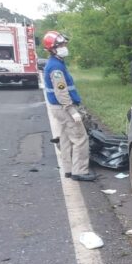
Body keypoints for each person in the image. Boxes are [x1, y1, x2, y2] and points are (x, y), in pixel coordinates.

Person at [42, 30, 95, 181]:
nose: (65, 46)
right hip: (64, 108)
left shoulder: (57, 63)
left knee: (65, 139)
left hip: (59, 108)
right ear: (53, 48)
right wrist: (72, 110)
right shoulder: (56, 67)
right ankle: (80, 171)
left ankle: (69, 169)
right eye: (62, 44)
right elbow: (61, 92)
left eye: (64, 43)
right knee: (80, 139)